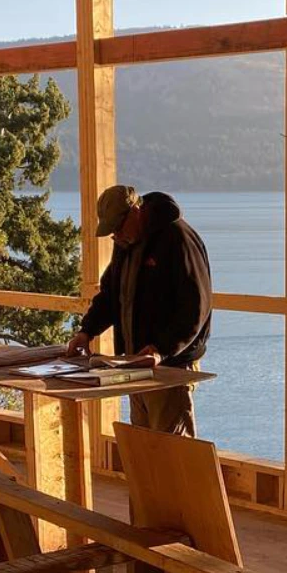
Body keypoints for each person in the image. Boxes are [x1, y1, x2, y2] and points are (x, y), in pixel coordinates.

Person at [65, 185, 211, 436]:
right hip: (136, 364)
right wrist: (87, 331)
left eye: (118, 229)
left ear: (135, 211)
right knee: (144, 447)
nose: (116, 237)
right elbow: (111, 295)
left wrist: (161, 350)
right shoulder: (126, 243)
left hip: (169, 368)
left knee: (173, 453)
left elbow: (196, 307)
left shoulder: (177, 237)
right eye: (112, 233)